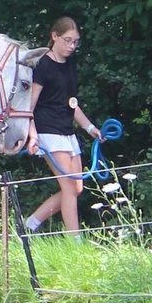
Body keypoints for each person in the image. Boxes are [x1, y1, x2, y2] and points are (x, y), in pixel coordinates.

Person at [21, 16, 100, 234]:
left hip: (67, 130)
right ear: (54, 36)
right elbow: (30, 105)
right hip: (48, 130)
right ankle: (75, 241)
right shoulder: (42, 65)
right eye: (67, 40)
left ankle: (30, 224)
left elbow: (72, 103)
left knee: (76, 188)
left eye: (75, 41)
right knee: (68, 187)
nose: (72, 46)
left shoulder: (70, 65)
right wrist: (33, 135)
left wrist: (91, 128)